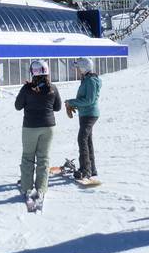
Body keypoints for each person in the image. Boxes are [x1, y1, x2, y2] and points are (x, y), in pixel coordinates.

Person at [15, 60, 62, 211]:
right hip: (48, 127)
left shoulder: (27, 88)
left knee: (28, 157)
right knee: (43, 158)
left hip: (30, 127)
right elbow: (58, 107)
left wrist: (28, 91)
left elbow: (17, 106)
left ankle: (27, 188)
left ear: (33, 73)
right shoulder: (53, 88)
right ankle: (41, 189)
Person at [65, 57, 102, 182]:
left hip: (89, 114)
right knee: (87, 140)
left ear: (83, 68)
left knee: (82, 139)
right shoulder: (87, 79)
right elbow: (85, 99)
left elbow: (89, 100)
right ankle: (91, 169)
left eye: (78, 68)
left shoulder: (91, 81)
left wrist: (72, 102)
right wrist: (73, 104)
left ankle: (85, 170)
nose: (77, 70)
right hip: (86, 114)